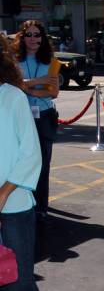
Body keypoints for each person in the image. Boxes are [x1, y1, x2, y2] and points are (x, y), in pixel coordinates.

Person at [0, 34, 55, 291]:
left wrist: (3, 192)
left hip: (15, 204)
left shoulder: (13, 97)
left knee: (18, 280)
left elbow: (29, 153)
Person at [13, 20, 60, 223]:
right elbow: (10, 84)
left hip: (44, 118)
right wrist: (37, 83)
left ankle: (41, 208)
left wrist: (27, 88)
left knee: (42, 165)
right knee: (19, 162)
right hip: (20, 117)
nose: (33, 39)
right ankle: (22, 203)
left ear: (43, 38)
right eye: (29, 35)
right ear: (22, 38)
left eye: (37, 35)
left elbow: (54, 93)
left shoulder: (51, 61)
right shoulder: (13, 60)